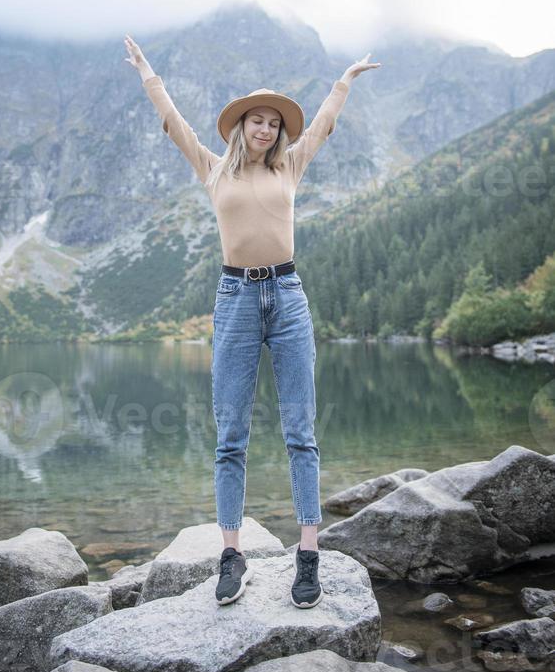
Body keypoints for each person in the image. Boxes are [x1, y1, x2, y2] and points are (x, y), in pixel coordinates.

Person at [124, 33, 380, 608]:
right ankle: (231, 556)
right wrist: (147, 72)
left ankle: (307, 556)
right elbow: (173, 122)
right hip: (235, 300)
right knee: (230, 437)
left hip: (288, 298)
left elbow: (324, 126)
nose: (265, 129)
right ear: (241, 128)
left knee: (301, 433)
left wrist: (344, 80)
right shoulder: (213, 169)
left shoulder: (292, 166)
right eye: (256, 121)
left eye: (272, 123)